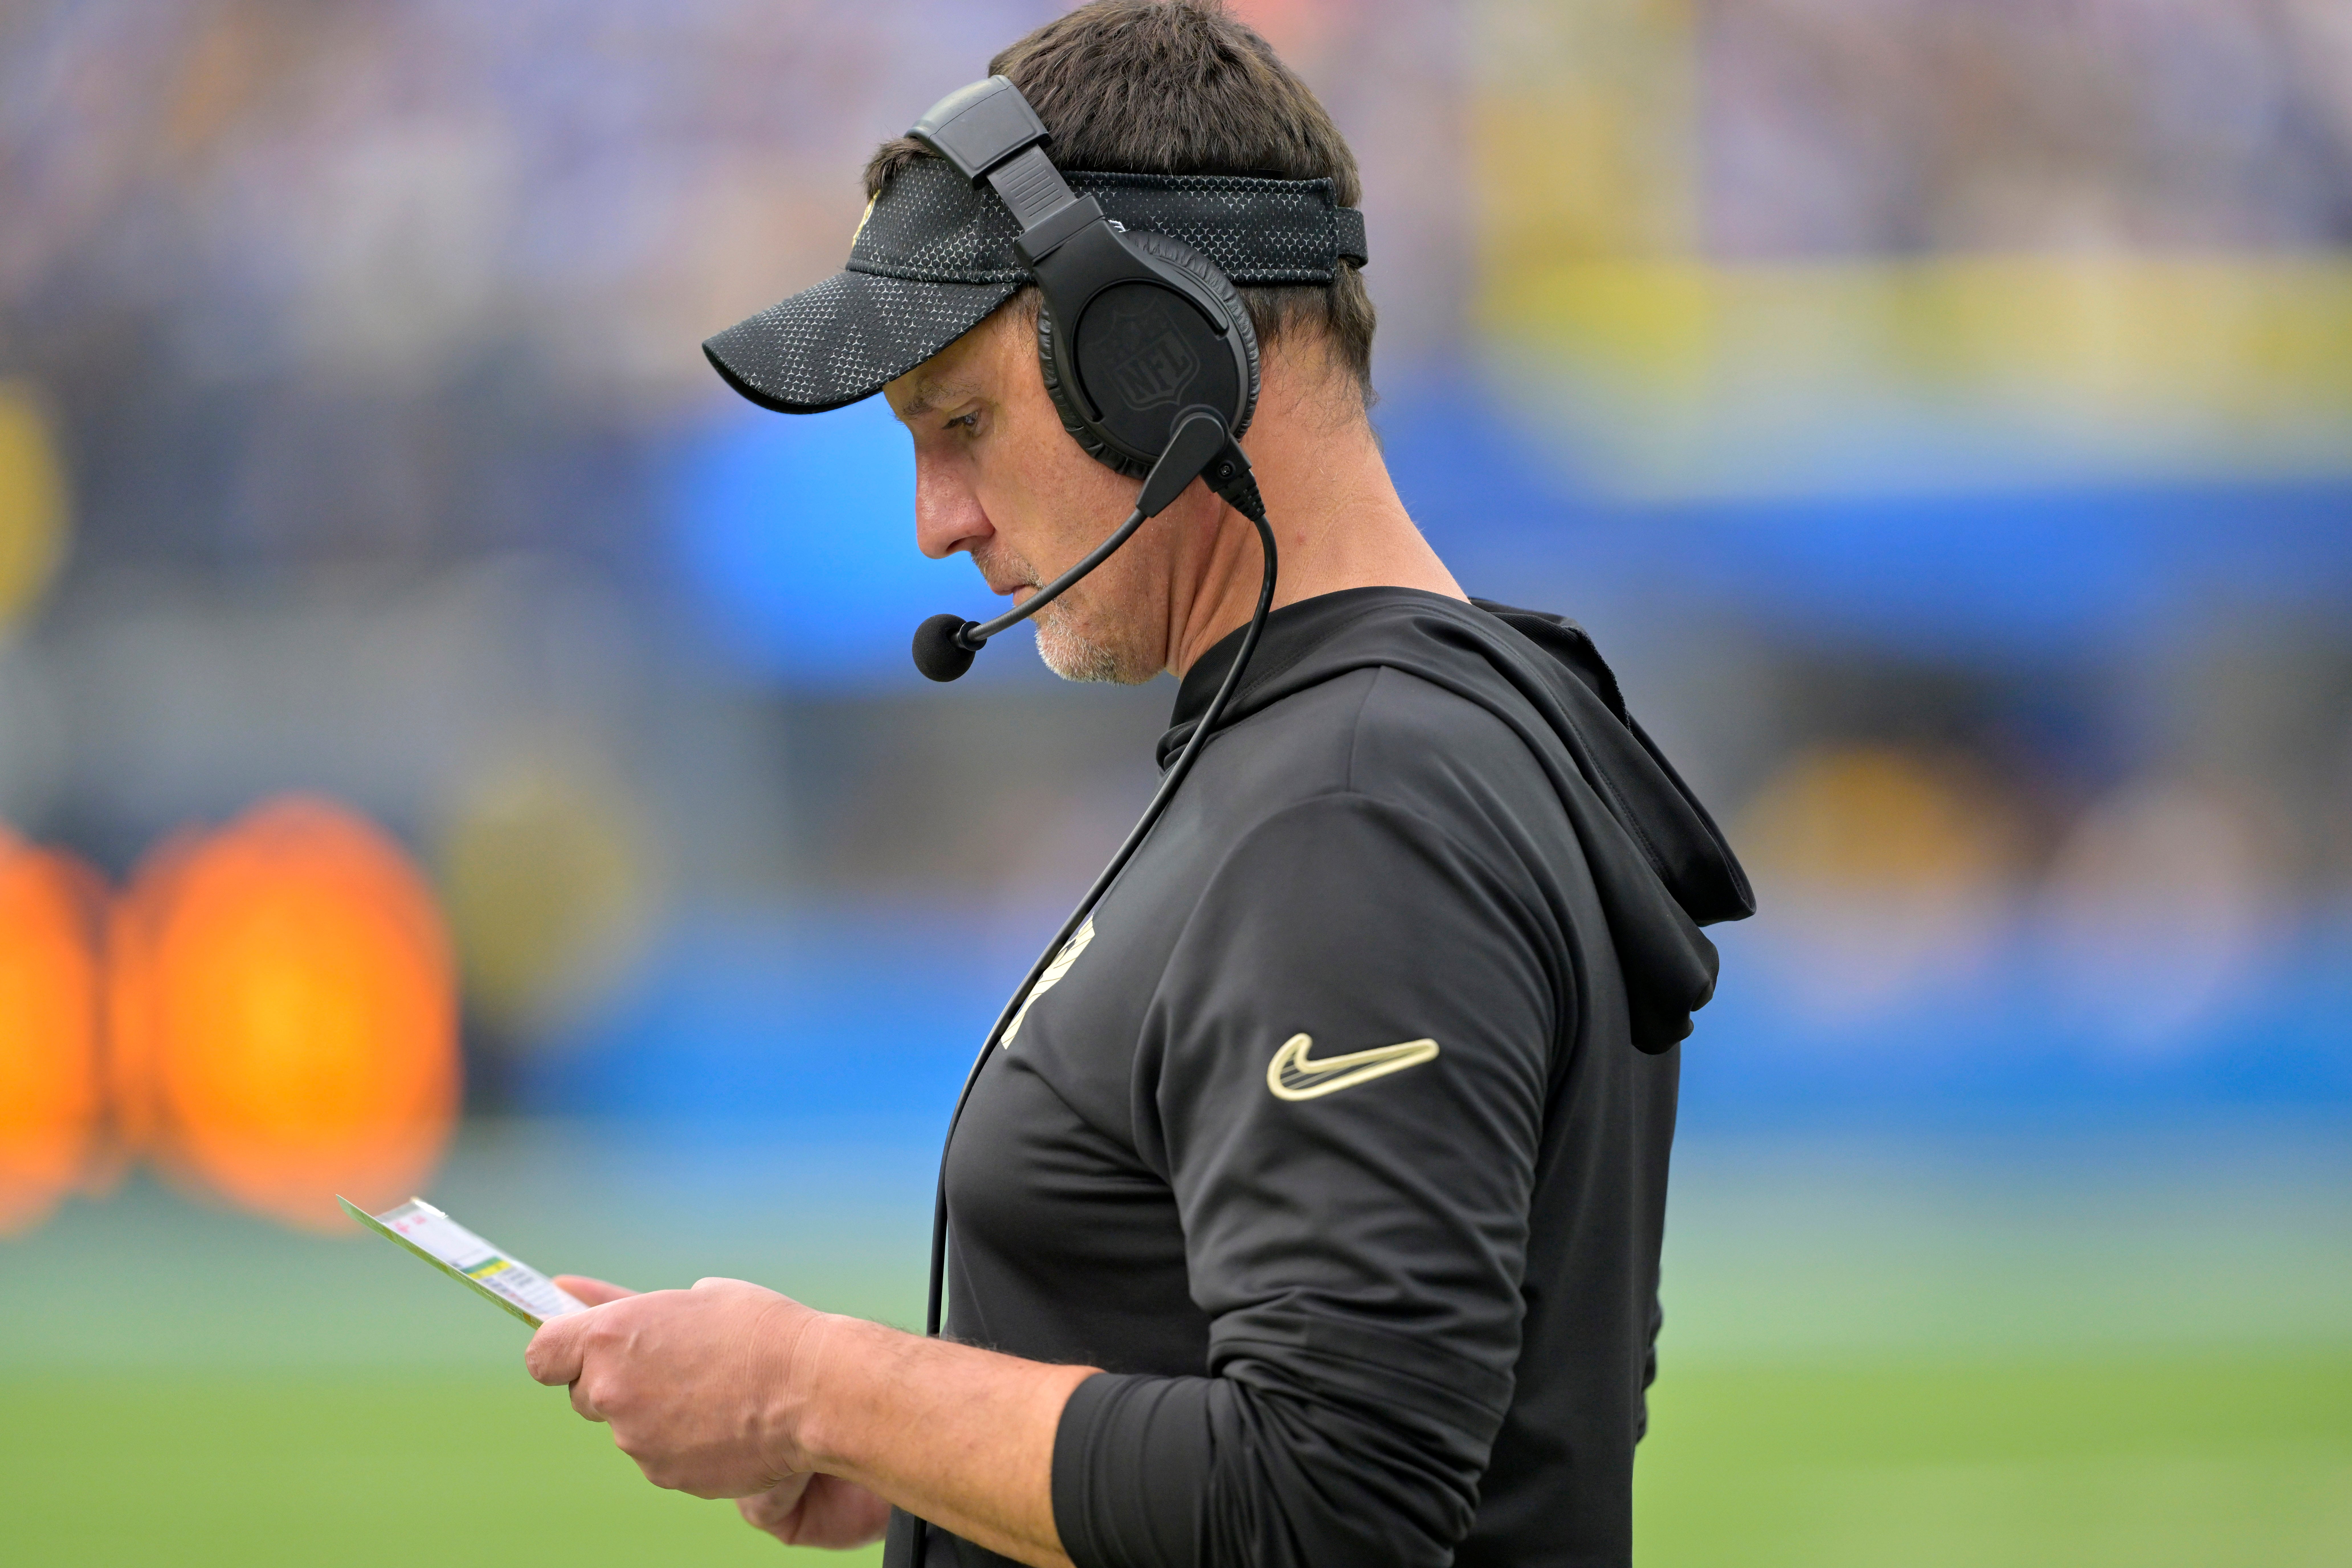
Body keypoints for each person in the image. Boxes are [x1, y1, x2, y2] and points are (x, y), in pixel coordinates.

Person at [523, 5, 1753, 1566]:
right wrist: (926, 1461)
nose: (936, 524)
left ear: (1151, 356)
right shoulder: (1385, 740)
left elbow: (1332, 1501)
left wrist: (814, 1390)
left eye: (960, 423)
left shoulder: (1357, 799)